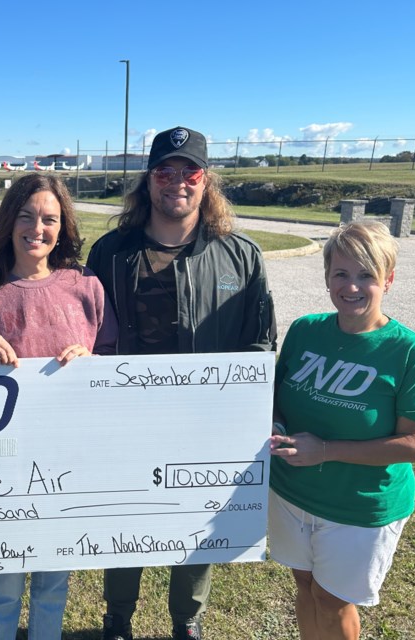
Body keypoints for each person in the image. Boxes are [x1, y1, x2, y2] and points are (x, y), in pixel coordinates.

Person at [86, 126, 277, 640]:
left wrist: (246, 415)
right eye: (164, 171)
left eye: (189, 171)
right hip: (125, 421)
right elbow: (84, 336)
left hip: (205, 426)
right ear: (148, 181)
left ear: (206, 180)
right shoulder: (111, 253)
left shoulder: (240, 255)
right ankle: (118, 618)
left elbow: (260, 346)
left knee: (196, 527)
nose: (177, 182)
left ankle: (186, 621)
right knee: (126, 519)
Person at [0, 172, 118, 640]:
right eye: (27, 216)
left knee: (54, 582)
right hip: (1, 464)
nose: (38, 228)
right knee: (2, 583)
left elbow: (116, 363)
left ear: (64, 228)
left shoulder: (86, 286)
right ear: (8, 222)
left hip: (67, 458)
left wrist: (93, 362)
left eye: (50, 219)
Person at [268, 221, 415, 639]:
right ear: (327, 277)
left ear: (388, 279)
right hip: (292, 494)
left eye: (366, 275)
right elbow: (275, 395)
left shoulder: (410, 352)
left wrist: (325, 449)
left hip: (359, 507)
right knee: (306, 587)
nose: (352, 287)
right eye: (341, 274)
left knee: (333, 602)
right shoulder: (306, 331)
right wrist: (275, 423)